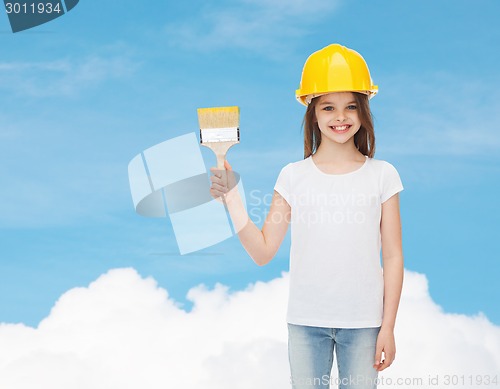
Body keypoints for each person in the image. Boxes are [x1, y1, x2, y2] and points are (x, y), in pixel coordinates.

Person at [209, 43, 404, 389]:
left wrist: (387, 326)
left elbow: (392, 256)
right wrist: (232, 199)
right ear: (312, 112)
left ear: (363, 111)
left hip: (365, 323)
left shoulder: (383, 175)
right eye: (328, 107)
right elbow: (263, 251)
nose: (340, 117)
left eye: (350, 107)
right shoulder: (293, 176)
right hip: (305, 322)